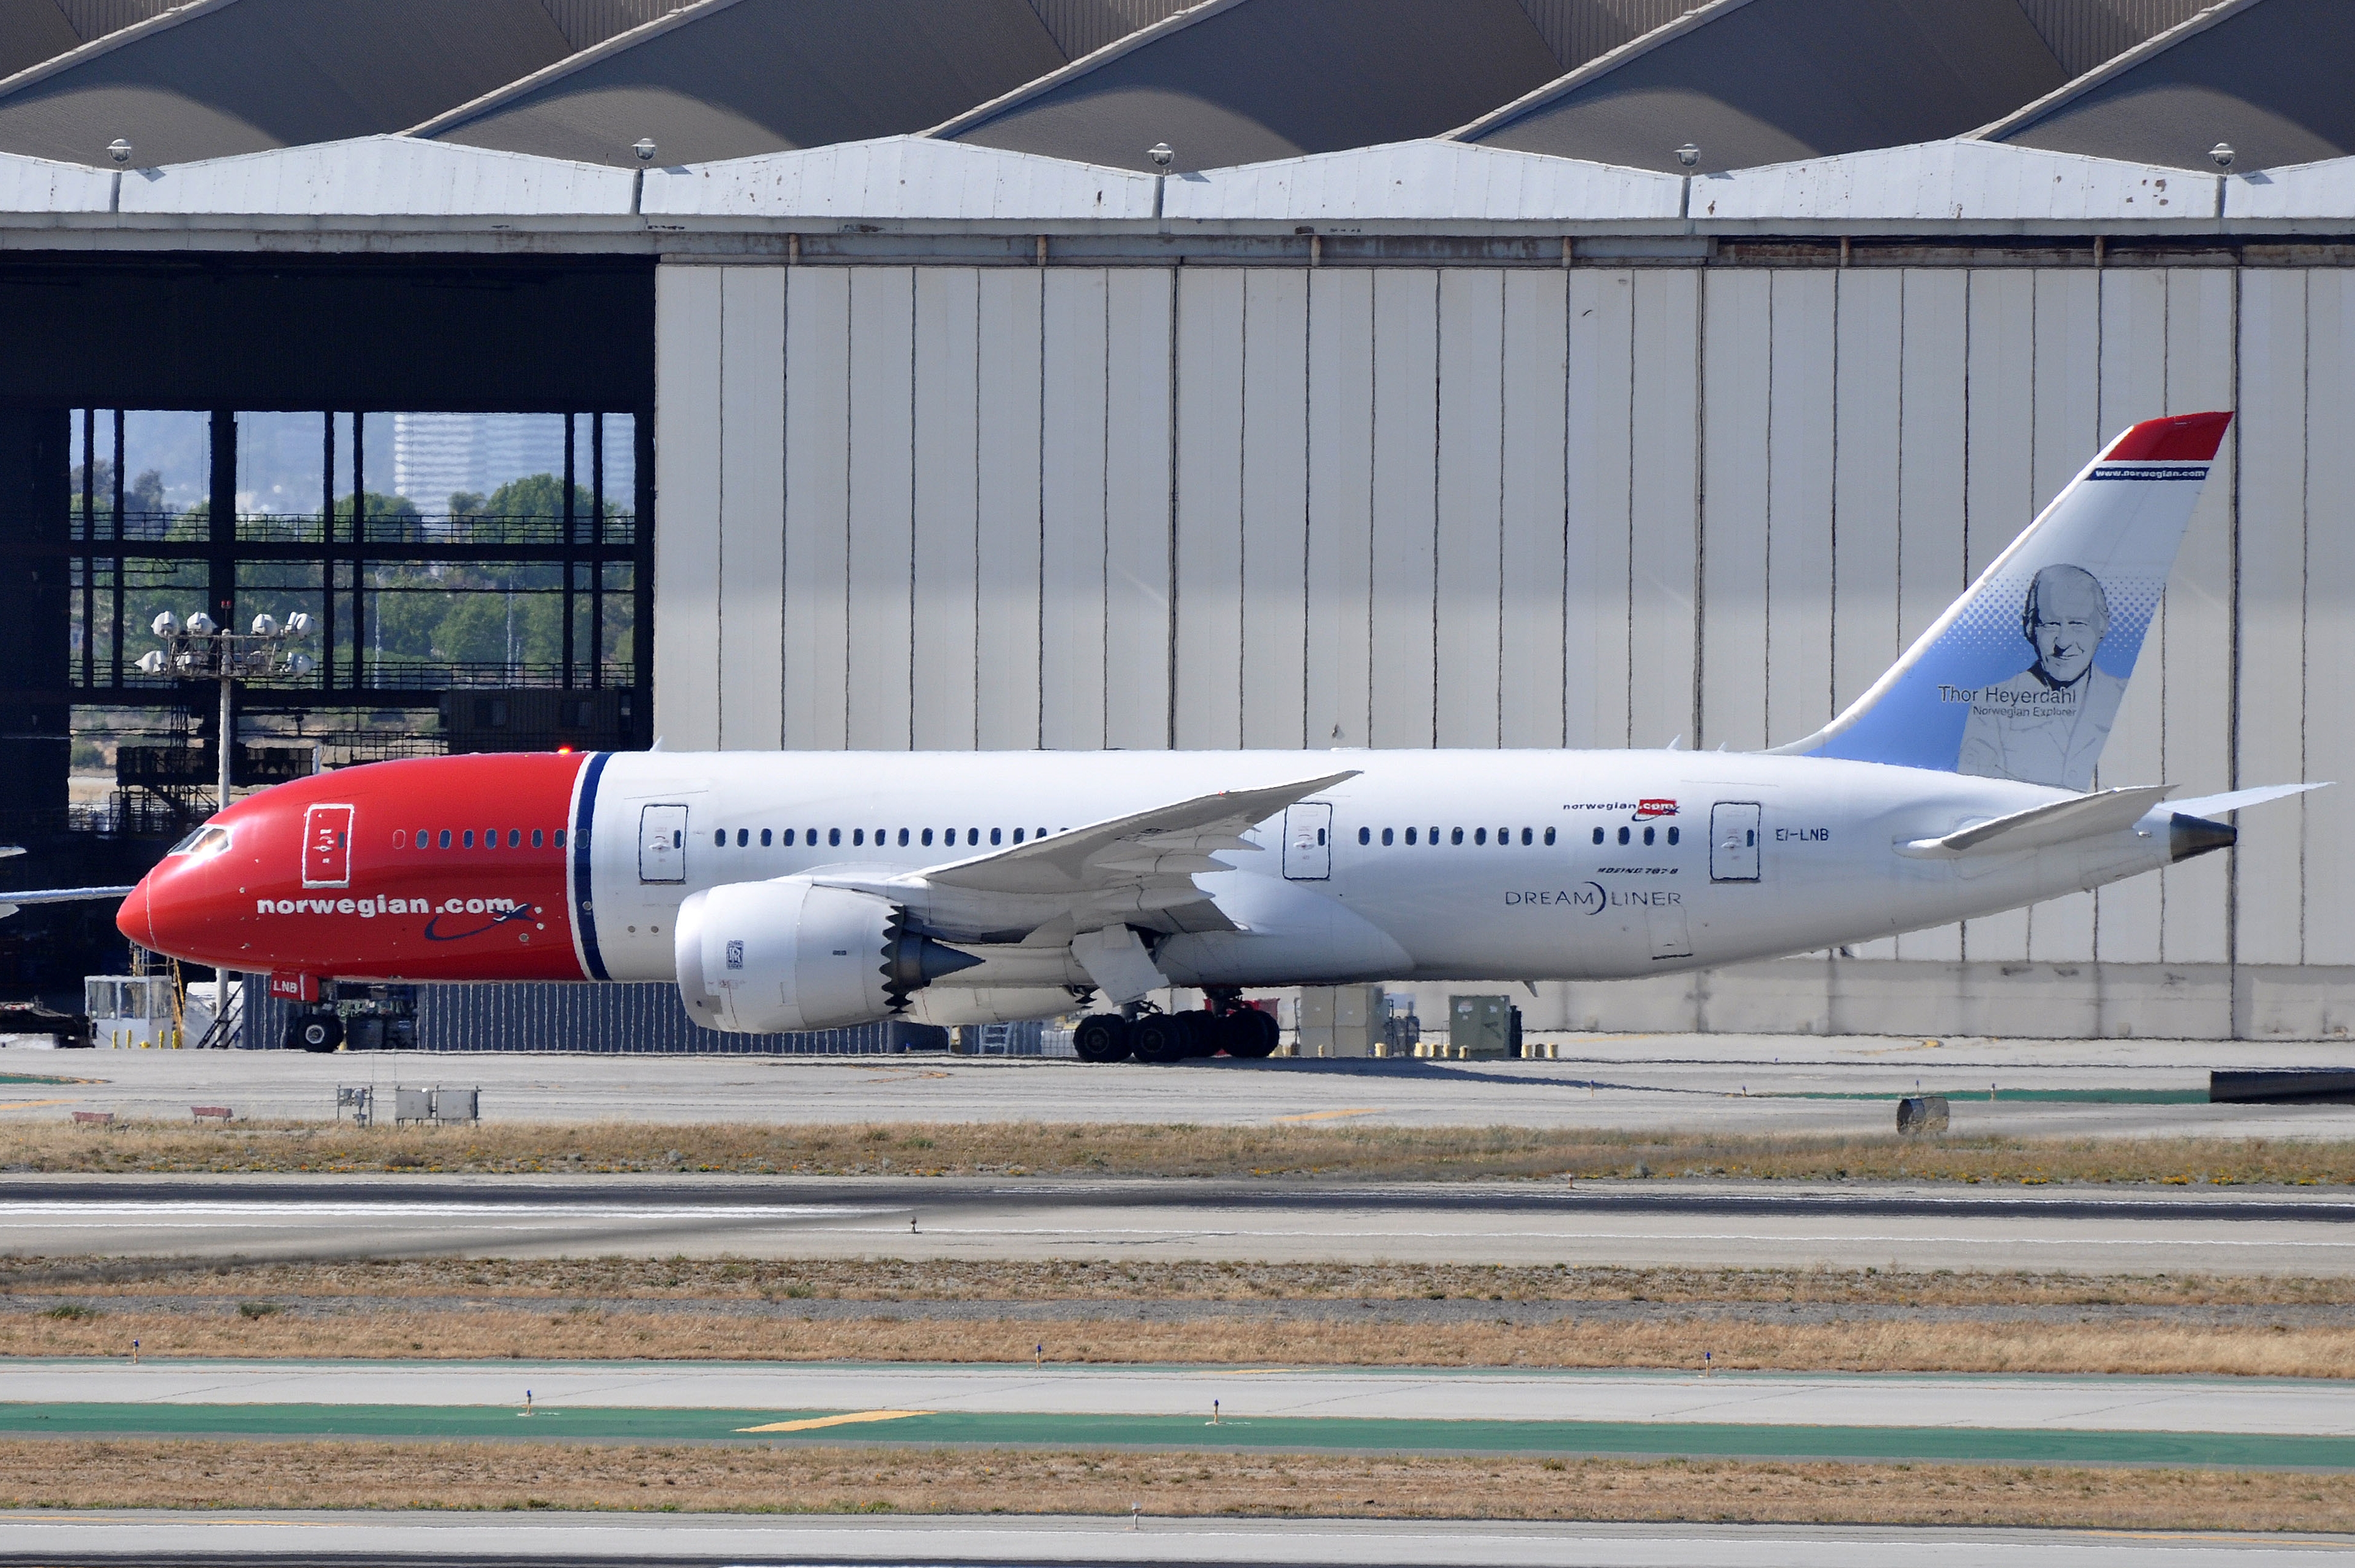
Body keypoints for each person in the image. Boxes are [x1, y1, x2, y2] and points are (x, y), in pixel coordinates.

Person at [1954, 564, 2125, 791]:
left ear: (2102, 627)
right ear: (2030, 628)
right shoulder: (1992, 704)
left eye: (2078, 624)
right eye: (2051, 624)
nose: (2063, 643)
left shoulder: (2125, 699)